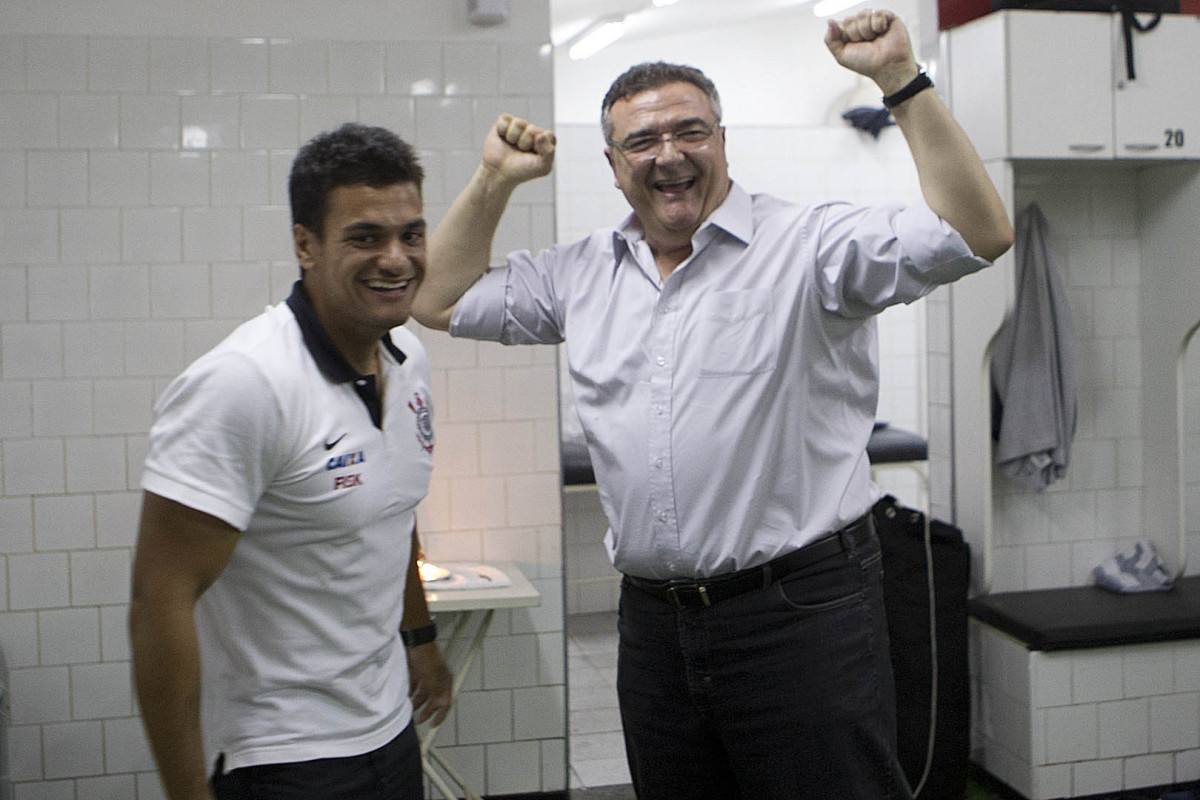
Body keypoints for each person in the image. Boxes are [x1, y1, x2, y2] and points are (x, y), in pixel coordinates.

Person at [413, 8, 1012, 800]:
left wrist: (900, 79)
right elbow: (437, 298)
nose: (669, 154)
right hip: (655, 627)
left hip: (801, 614)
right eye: (642, 142)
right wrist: (493, 180)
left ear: (722, 140)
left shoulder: (809, 248)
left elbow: (979, 231)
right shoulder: (581, 272)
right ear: (613, 163)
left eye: (690, 132)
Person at [129, 122, 452, 800]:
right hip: (282, 757)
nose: (396, 259)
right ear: (305, 244)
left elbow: (392, 506)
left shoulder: (408, 358)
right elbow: (160, 600)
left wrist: (419, 636)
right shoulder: (243, 384)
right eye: (365, 237)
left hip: (391, 731)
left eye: (411, 234)